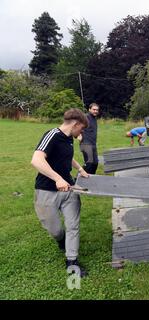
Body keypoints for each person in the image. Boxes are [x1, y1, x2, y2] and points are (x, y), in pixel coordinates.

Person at [31, 108, 90, 277]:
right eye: (81, 129)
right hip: (46, 191)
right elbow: (36, 159)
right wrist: (57, 178)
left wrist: (80, 169)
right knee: (55, 230)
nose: (81, 133)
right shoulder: (52, 135)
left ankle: (72, 261)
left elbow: (66, 156)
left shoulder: (68, 139)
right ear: (75, 124)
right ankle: (61, 241)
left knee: (73, 226)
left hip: (69, 190)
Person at [79, 103, 100, 174]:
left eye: (97, 110)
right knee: (89, 164)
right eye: (94, 109)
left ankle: (91, 179)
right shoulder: (85, 117)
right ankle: (77, 179)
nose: (95, 111)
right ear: (89, 109)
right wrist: (78, 135)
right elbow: (76, 125)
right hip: (85, 144)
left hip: (93, 144)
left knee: (95, 164)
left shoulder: (94, 119)